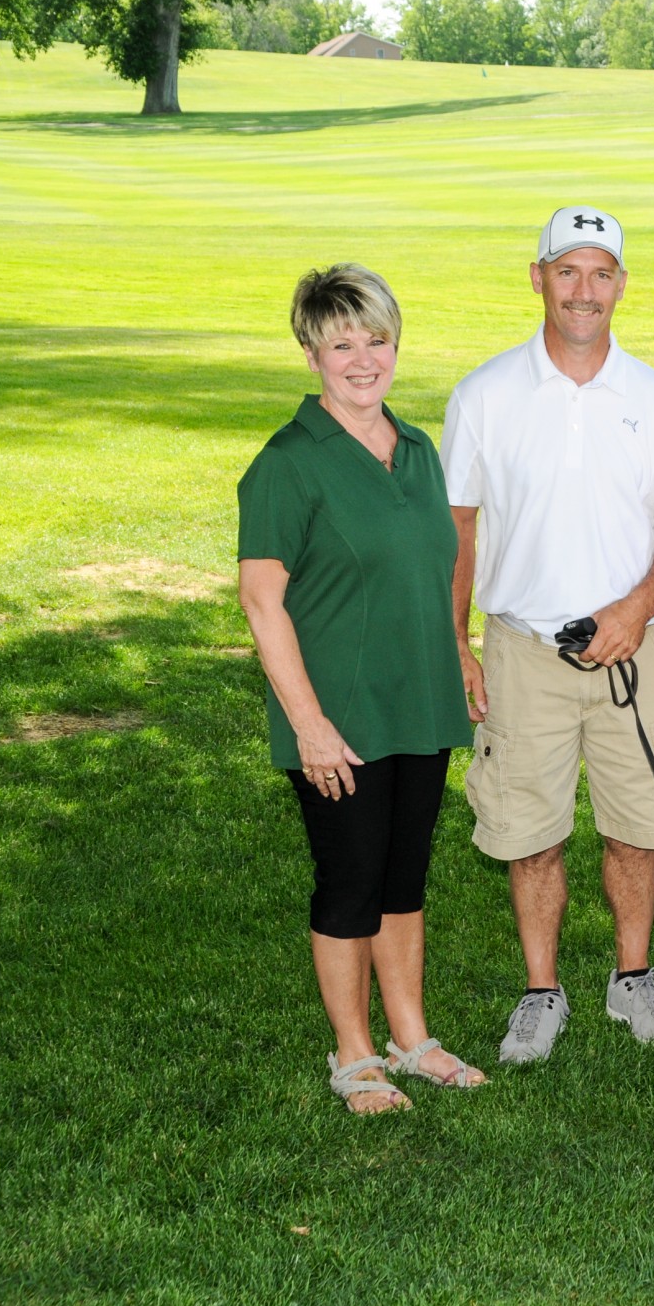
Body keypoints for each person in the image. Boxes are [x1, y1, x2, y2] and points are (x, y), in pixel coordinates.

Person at [442, 207, 654, 1065]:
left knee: (636, 825)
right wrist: (457, 643)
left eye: (600, 273)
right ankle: (540, 990)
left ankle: (632, 979)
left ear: (621, 284)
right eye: (567, 271)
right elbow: (459, 528)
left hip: (634, 649)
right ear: (537, 276)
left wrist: (634, 611)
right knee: (531, 829)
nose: (583, 291)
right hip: (523, 649)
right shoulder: (484, 394)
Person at [238, 264, 481, 1113]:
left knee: (403, 878)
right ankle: (353, 1054)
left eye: (375, 338)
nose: (363, 357)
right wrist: (307, 723)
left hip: (418, 702)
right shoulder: (288, 463)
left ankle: (411, 1038)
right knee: (349, 881)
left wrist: (459, 651)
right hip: (337, 717)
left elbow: (431, 572)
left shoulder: (415, 450)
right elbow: (262, 603)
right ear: (311, 353)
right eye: (342, 342)